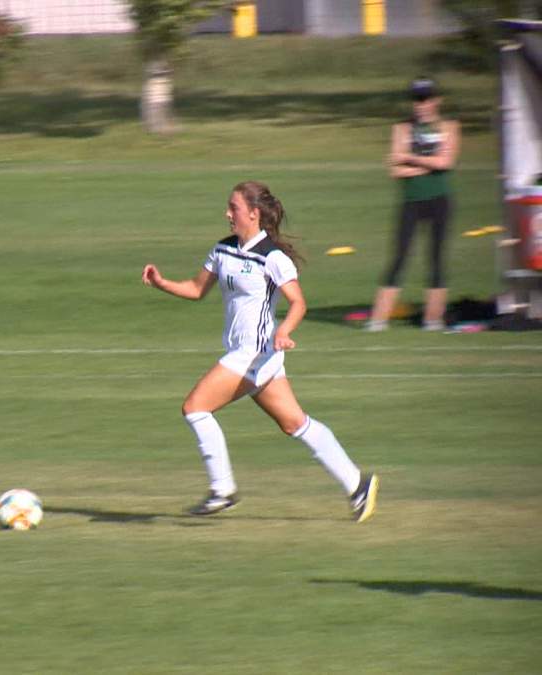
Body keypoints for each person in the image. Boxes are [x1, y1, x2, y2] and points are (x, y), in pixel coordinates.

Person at [141, 181, 379, 523]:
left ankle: (222, 489)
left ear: (253, 214)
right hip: (250, 355)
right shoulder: (222, 250)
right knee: (296, 424)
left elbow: (298, 303)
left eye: (233, 208)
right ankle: (358, 485)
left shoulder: (273, 258)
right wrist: (162, 283)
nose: (227, 214)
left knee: (195, 408)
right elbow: (196, 289)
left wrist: (284, 330)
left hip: (253, 355)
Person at [368, 76, 461, 331]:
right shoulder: (403, 128)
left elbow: (446, 162)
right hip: (411, 201)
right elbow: (395, 170)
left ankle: (433, 319)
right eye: (417, 100)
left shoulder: (449, 126)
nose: (421, 105)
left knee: (436, 258)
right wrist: (428, 164)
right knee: (399, 256)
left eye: (426, 99)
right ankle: (378, 319)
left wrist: (409, 158)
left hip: (440, 199)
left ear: (436, 100)